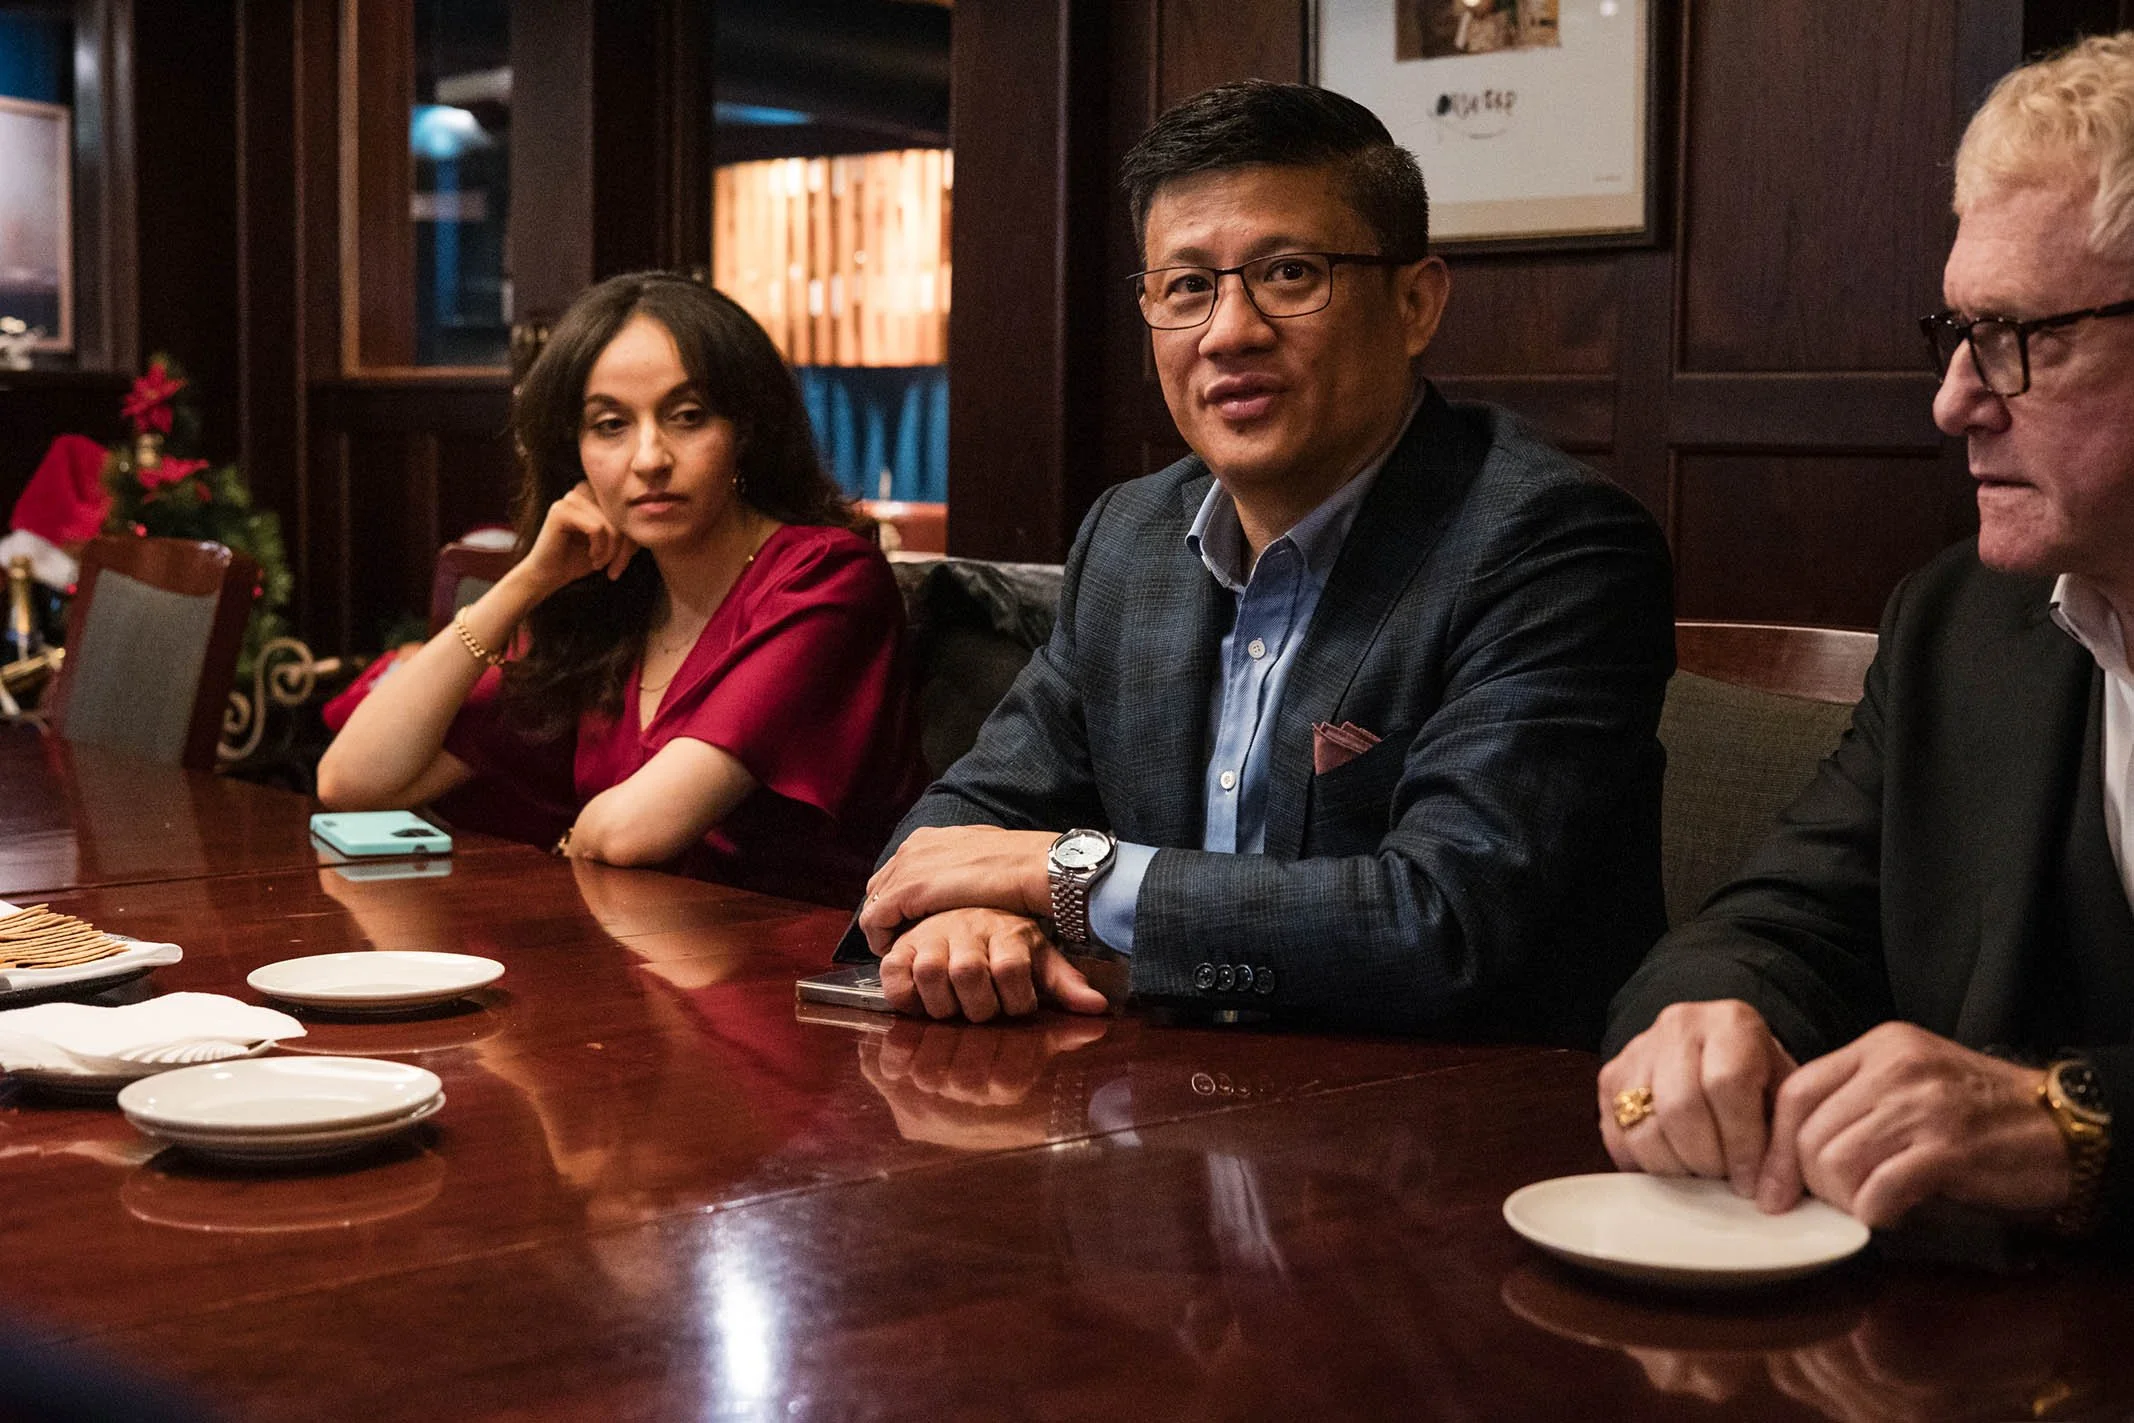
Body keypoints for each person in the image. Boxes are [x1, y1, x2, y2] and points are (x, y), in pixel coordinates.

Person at [850, 80, 1674, 1039]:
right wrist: (970, 915)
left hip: (1453, 1134)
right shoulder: (1134, 535)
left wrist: (1060, 878)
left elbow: (1442, 921)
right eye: (1188, 286)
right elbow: (955, 828)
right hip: (1164, 1115)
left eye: (1289, 273)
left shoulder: (1552, 546)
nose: (1229, 332)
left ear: (1415, 303)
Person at [1599, 33, 2134, 1243]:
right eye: (1952, 330)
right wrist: (1707, 1015)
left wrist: (2075, 1122)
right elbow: (1787, 922)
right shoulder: (1963, 623)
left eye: (2016, 336)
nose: (1952, 399)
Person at [317, 272, 925, 907]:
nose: (649, 457)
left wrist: (580, 835)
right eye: (610, 425)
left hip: (806, 979)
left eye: (687, 417)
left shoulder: (826, 576)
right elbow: (352, 779)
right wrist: (529, 580)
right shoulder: (614, 605)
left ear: (744, 430)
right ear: (573, 451)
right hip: (641, 969)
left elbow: (636, 831)